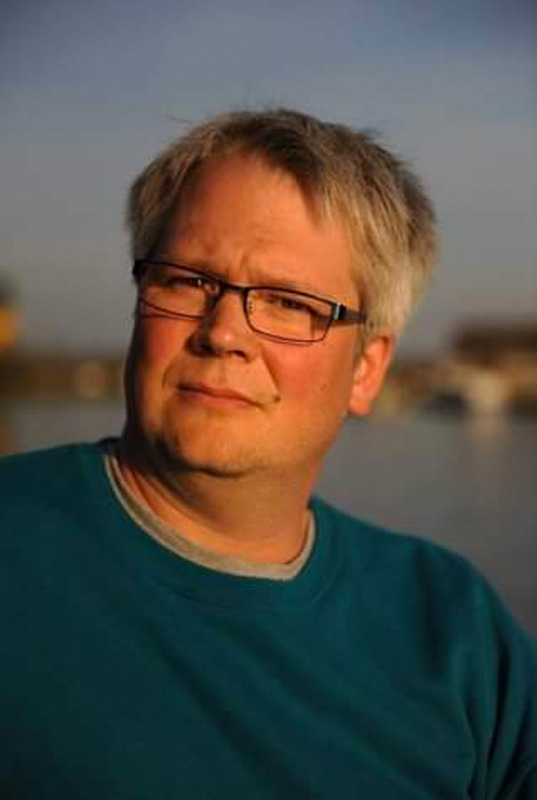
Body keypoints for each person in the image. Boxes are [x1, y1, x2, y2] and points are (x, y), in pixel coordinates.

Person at [1, 108, 535, 799]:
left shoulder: (455, 629)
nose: (223, 333)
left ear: (367, 369)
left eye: (288, 303)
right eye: (188, 280)